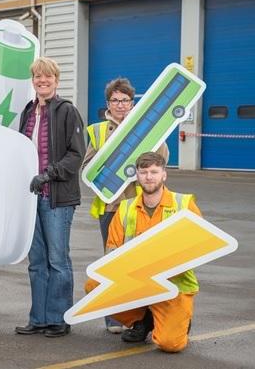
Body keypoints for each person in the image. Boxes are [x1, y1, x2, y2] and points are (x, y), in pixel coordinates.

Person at [86, 151, 201, 353]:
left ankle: (178, 318)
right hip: (137, 282)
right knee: (95, 285)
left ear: (164, 174)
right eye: (144, 172)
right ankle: (143, 319)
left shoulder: (183, 204)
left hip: (173, 285)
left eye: (154, 172)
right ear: (137, 176)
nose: (149, 177)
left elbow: (198, 247)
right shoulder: (125, 208)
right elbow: (112, 253)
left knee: (171, 344)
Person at [82, 78, 168, 333]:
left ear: (133, 102)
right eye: (115, 100)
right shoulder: (98, 131)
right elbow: (87, 168)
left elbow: (161, 159)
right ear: (108, 103)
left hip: (141, 205)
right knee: (112, 262)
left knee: (142, 262)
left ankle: (142, 318)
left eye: (125, 100)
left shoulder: (146, 127)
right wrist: (107, 169)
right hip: (111, 207)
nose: (120, 105)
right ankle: (115, 318)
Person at [15, 57, 85, 338]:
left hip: (56, 197)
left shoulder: (68, 111)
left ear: (56, 80)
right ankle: (39, 318)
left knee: (58, 260)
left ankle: (59, 318)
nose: (42, 81)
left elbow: (76, 155)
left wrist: (48, 174)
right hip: (31, 199)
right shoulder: (28, 112)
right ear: (33, 81)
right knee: (36, 262)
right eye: (37, 77)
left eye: (48, 77)